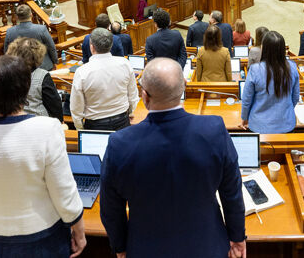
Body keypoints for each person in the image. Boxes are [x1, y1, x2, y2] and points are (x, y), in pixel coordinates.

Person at [100, 58, 246, 258]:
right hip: (207, 247)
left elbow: (110, 208)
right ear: (184, 87)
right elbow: (232, 193)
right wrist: (238, 237)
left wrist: (120, 247)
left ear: (145, 96)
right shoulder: (214, 130)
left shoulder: (120, 143)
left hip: (145, 248)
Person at [0, 55, 85, 256]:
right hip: (39, 235)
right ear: (24, 89)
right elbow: (63, 190)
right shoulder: (46, 128)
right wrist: (78, 228)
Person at [71, 28, 139, 130]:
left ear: (91, 47)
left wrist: (80, 127)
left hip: (95, 125)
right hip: (122, 120)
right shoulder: (125, 64)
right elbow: (133, 95)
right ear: (111, 46)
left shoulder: (82, 72)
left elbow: (76, 107)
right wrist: (130, 111)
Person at [241, 31, 300, 133]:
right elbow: (295, 97)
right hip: (286, 124)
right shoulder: (292, 67)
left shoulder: (255, 69)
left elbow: (247, 100)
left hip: (259, 125)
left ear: (264, 48)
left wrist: (244, 118)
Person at [6, 37, 64, 122]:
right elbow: (54, 104)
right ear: (37, 55)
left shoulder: (7, 74)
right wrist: (60, 122)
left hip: (15, 122)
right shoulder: (42, 75)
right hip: (40, 123)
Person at [4, 4, 58, 71]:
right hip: (44, 67)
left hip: (21, 70)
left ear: (17, 17)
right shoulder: (41, 29)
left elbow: (7, 52)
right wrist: (55, 62)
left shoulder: (10, 32)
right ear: (31, 15)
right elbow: (51, 47)